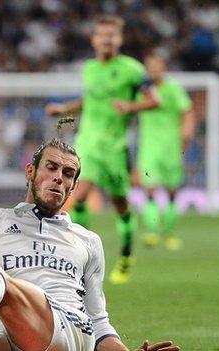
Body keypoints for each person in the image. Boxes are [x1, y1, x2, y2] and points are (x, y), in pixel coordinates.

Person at [0, 138, 179, 351]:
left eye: (68, 174)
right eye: (51, 168)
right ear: (30, 172)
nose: (58, 179)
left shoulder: (87, 240)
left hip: (69, 333)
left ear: (74, 187)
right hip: (8, 338)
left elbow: (100, 324)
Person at [44, 15, 160, 284]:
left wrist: (130, 107)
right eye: (102, 35)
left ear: (119, 39)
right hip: (88, 144)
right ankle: (82, 257)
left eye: (111, 35)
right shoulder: (90, 68)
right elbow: (90, 100)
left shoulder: (133, 69)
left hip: (115, 148)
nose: (106, 40)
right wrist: (63, 109)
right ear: (94, 40)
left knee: (120, 204)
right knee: (79, 195)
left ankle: (127, 254)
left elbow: (154, 100)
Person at [136, 53, 195, 250]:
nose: (153, 71)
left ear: (164, 67)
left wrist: (187, 132)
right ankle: (152, 232)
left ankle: (169, 233)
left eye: (156, 66)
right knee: (150, 190)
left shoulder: (173, 89)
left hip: (172, 147)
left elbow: (187, 111)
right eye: (150, 67)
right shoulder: (142, 91)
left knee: (171, 192)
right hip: (150, 147)